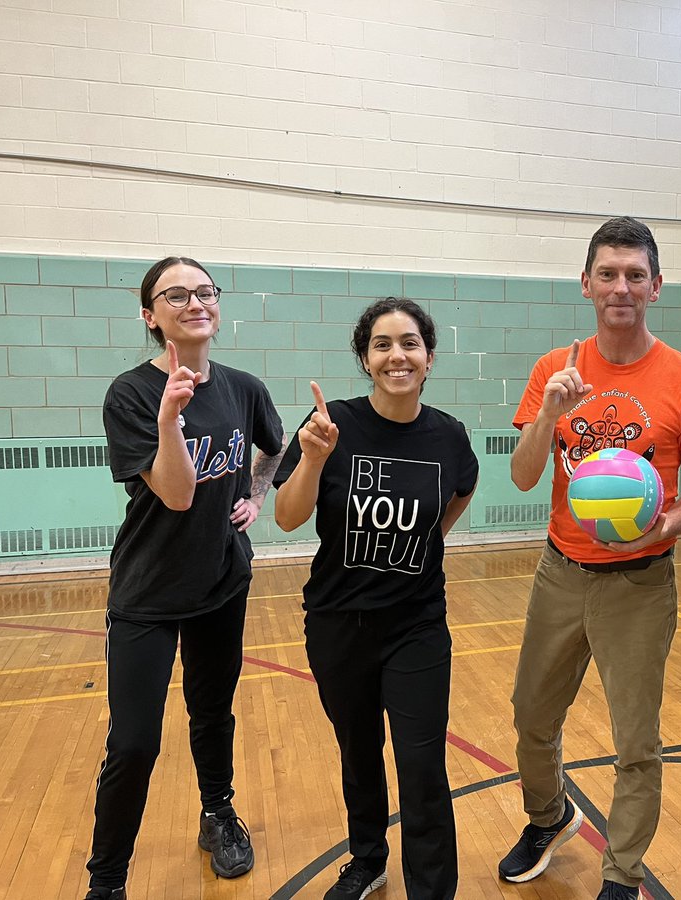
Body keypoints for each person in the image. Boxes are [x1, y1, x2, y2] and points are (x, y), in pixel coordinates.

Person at [499, 216, 681, 900]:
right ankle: (550, 817)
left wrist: (665, 522)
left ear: (656, 286)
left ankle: (623, 873)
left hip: (640, 583)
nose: (620, 287)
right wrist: (549, 413)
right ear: (586, 283)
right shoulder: (553, 370)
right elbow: (523, 476)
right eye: (608, 274)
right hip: (559, 574)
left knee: (637, 743)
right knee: (531, 717)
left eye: (634, 275)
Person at [85, 257, 286, 900]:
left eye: (205, 291)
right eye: (176, 295)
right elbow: (173, 495)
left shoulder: (243, 388)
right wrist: (170, 416)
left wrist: (255, 495)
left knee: (212, 712)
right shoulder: (132, 394)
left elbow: (272, 446)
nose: (195, 301)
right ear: (151, 315)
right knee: (135, 743)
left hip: (221, 581)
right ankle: (107, 881)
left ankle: (218, 813)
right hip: (148, 590)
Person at [273, 297, 478, 900]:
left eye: (410, 343)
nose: (398, 355)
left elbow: (460, 491)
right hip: (338, 622)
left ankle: (432, 890)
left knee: (421, 767)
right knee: (358, 751)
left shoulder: (448, 434)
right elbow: (287, 517)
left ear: (430, 358)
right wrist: (312, 459)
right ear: (365, 358)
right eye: (383, 344)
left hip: (417, 624)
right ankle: (367, 861)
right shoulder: (330, 424)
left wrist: (426, 541)